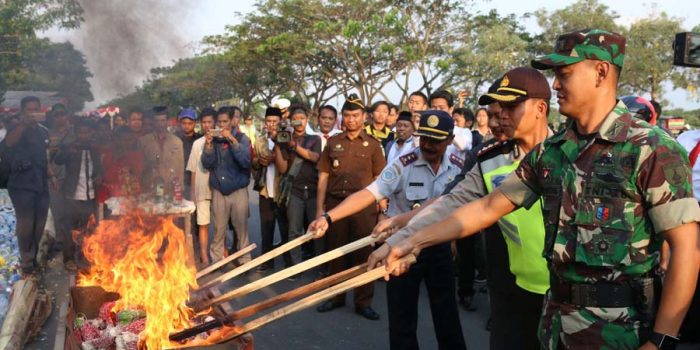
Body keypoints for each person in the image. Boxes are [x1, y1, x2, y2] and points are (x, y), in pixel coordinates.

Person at [379, 29, 700, 350]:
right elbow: (487, 208)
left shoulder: (652, 149)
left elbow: (686, 249)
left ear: (600, 72)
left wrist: (662, 340)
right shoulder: (552, 152)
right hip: (554, 323)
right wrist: (412, 241)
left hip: (620, 330)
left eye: (565, 74)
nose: (555, 85)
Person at [310, 110, 466, 349]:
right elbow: (368, 193)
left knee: (447, 317)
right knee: (402, 318)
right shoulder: (404, 163)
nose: (428, 145)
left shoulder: (458, 165)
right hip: (401, 248)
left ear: (449, 138)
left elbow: (457, 207)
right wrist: (329, 217)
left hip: (438, 245)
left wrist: (453, 239)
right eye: (424, 138)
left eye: (436, 140)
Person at [313, 94, 386, 320]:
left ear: (364, 117)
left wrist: (382, 212)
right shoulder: (333, 143)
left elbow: (380, 179)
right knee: (335, 253)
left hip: (364, 207)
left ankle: (363, 302)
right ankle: (335, 296)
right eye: (347, 115)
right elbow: (323, 177)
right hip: (336, 205)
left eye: (355, 115)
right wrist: (319, 210)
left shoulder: (374, 146)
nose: (351, 119)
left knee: (364, 254)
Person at [3, 96, 51, 277]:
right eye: (29, 110)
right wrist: (23, 125)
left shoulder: (43, 131)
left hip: (40, 181)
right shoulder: (14, 129)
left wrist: (51, 175)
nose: (33, 113)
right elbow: (7, 144)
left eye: (36, 109)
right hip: (21, 183)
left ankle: (36, 256)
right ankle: (26, 261)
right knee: (26, 223)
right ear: (23, 111)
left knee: (40, 223)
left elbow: (45, 156)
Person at [202, 107, 252, 263]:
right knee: (219, 231)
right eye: (219, 122)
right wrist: (209, 145)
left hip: (238, 190)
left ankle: (244, 260)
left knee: (241, 230)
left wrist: (232, 140)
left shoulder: (242, 138)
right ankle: (217, 262)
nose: (222, 125)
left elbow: (245, 161)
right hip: (219, 191)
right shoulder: (214, 140)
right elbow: (207, 164)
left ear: (232, 121)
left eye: (225, 121)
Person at [53, 119, 103, 271]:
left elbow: (100, 168)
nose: (84, 135)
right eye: (81, 132)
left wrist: (99, 175)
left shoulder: (94, 148)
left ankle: (85, 258)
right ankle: (69, 259)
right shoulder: (71, 147)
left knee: (89, 230)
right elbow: (58, 160)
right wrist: (68, 150)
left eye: (86, 132)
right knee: (70, 230)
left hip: (91, 195)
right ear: (76, 133)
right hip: (72, 195)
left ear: (90, 133)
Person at [274, 106, 322, 262]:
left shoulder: (315, 139)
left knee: (317, 228)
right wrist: (279, 144)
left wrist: (294, 146)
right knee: (294, 230)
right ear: (291, 121)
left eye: (302, 118)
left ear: (307, 120)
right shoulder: (285, 139)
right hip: (294, 190)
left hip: (313, 190)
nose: (299, 121)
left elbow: (315, 157)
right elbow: (282, 168)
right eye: (296, 119)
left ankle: (320, 265)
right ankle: (296, 265)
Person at [252, 107, 292, 270]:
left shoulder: (287, 140)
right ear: (265, 123)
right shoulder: (260, 141)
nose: (272, 124)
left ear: (281, 122)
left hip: (283, 192)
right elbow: (253, 163)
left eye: (275, 121)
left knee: (285, 229)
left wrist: (276, 152)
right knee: (266, 229)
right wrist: (259, 161)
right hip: (265, 191)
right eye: (269, 121)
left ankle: (288, 262)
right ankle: (267, 261)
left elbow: (288, 165)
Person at [186, 108, 216, 265]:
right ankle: (204, 255)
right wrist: (192, 195)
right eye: (204, 122)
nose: (206, 125)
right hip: (201, 189)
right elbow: (192, 170)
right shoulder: (197, 143)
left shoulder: (221, 141)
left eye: (209, 122)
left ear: (214, 123)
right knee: (203, 224)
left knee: (219, 224)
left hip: (218, 190)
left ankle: (220, 253)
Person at [139, 106, 185, 195]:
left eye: (163, 120)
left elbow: (180, 169)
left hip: (171, 191)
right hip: (150, 191)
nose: (160, 124)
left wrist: (180, 189)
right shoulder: (143, 141)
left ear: (167, 121)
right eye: (157, 121)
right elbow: (140, 168)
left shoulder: (177, 142)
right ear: (153, 122)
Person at [97, 127, 144, 204]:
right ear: (116, 140)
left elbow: (138, 175)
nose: (129, 143)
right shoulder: (106, 156)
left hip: (131, 202)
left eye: (130, 140)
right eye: (125, 140)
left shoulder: (136, 156)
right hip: (110, 201)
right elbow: (103, 179)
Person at [429, 90, 472, 157]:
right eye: (434, 108)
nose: (437, 111)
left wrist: (446, 126)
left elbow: (463, 146)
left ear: (451, 109)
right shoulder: (427, 130)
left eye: (441, 108)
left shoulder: (464, 131)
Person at [176, 108, 202, 201]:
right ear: (180, 123)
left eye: (190, 123)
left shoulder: (200, 140)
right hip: (178, 181)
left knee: (194, 212)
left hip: (197, 181)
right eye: (184, 123)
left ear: (195, 123)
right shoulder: (174, 139)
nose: (186, 126)